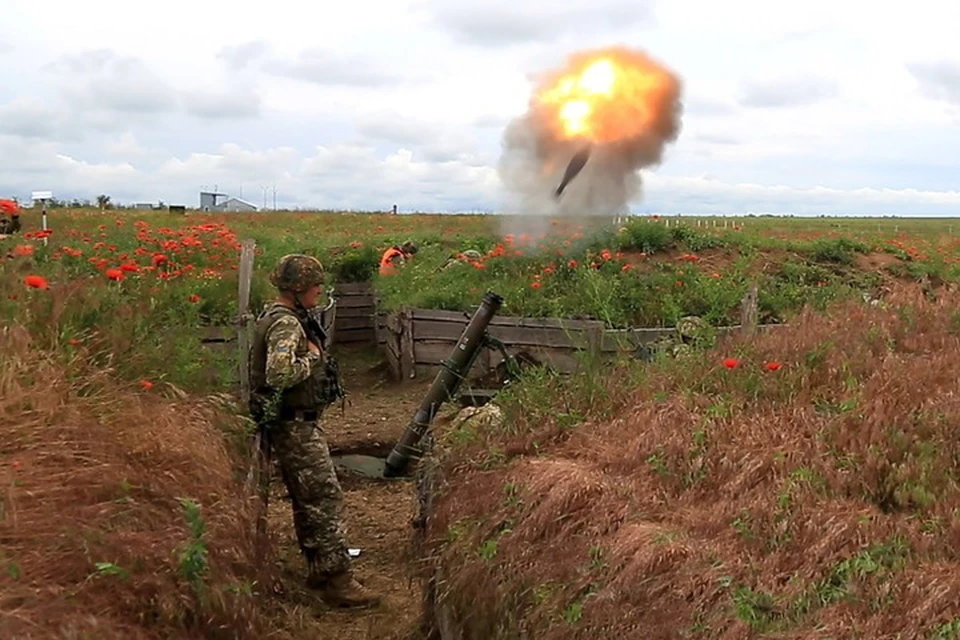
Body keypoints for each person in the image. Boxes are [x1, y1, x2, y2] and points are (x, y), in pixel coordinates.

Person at [248, 253, 380, 608]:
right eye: (316, 285)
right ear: (298, 288)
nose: (320, 292)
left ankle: (321, 571)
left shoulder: (279, 316)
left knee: (310, 502)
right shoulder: (287, 324)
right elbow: (279, 374)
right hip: (295, 427)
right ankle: (338, 581)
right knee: (324, 500)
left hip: (293, 424)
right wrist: (312, 358)